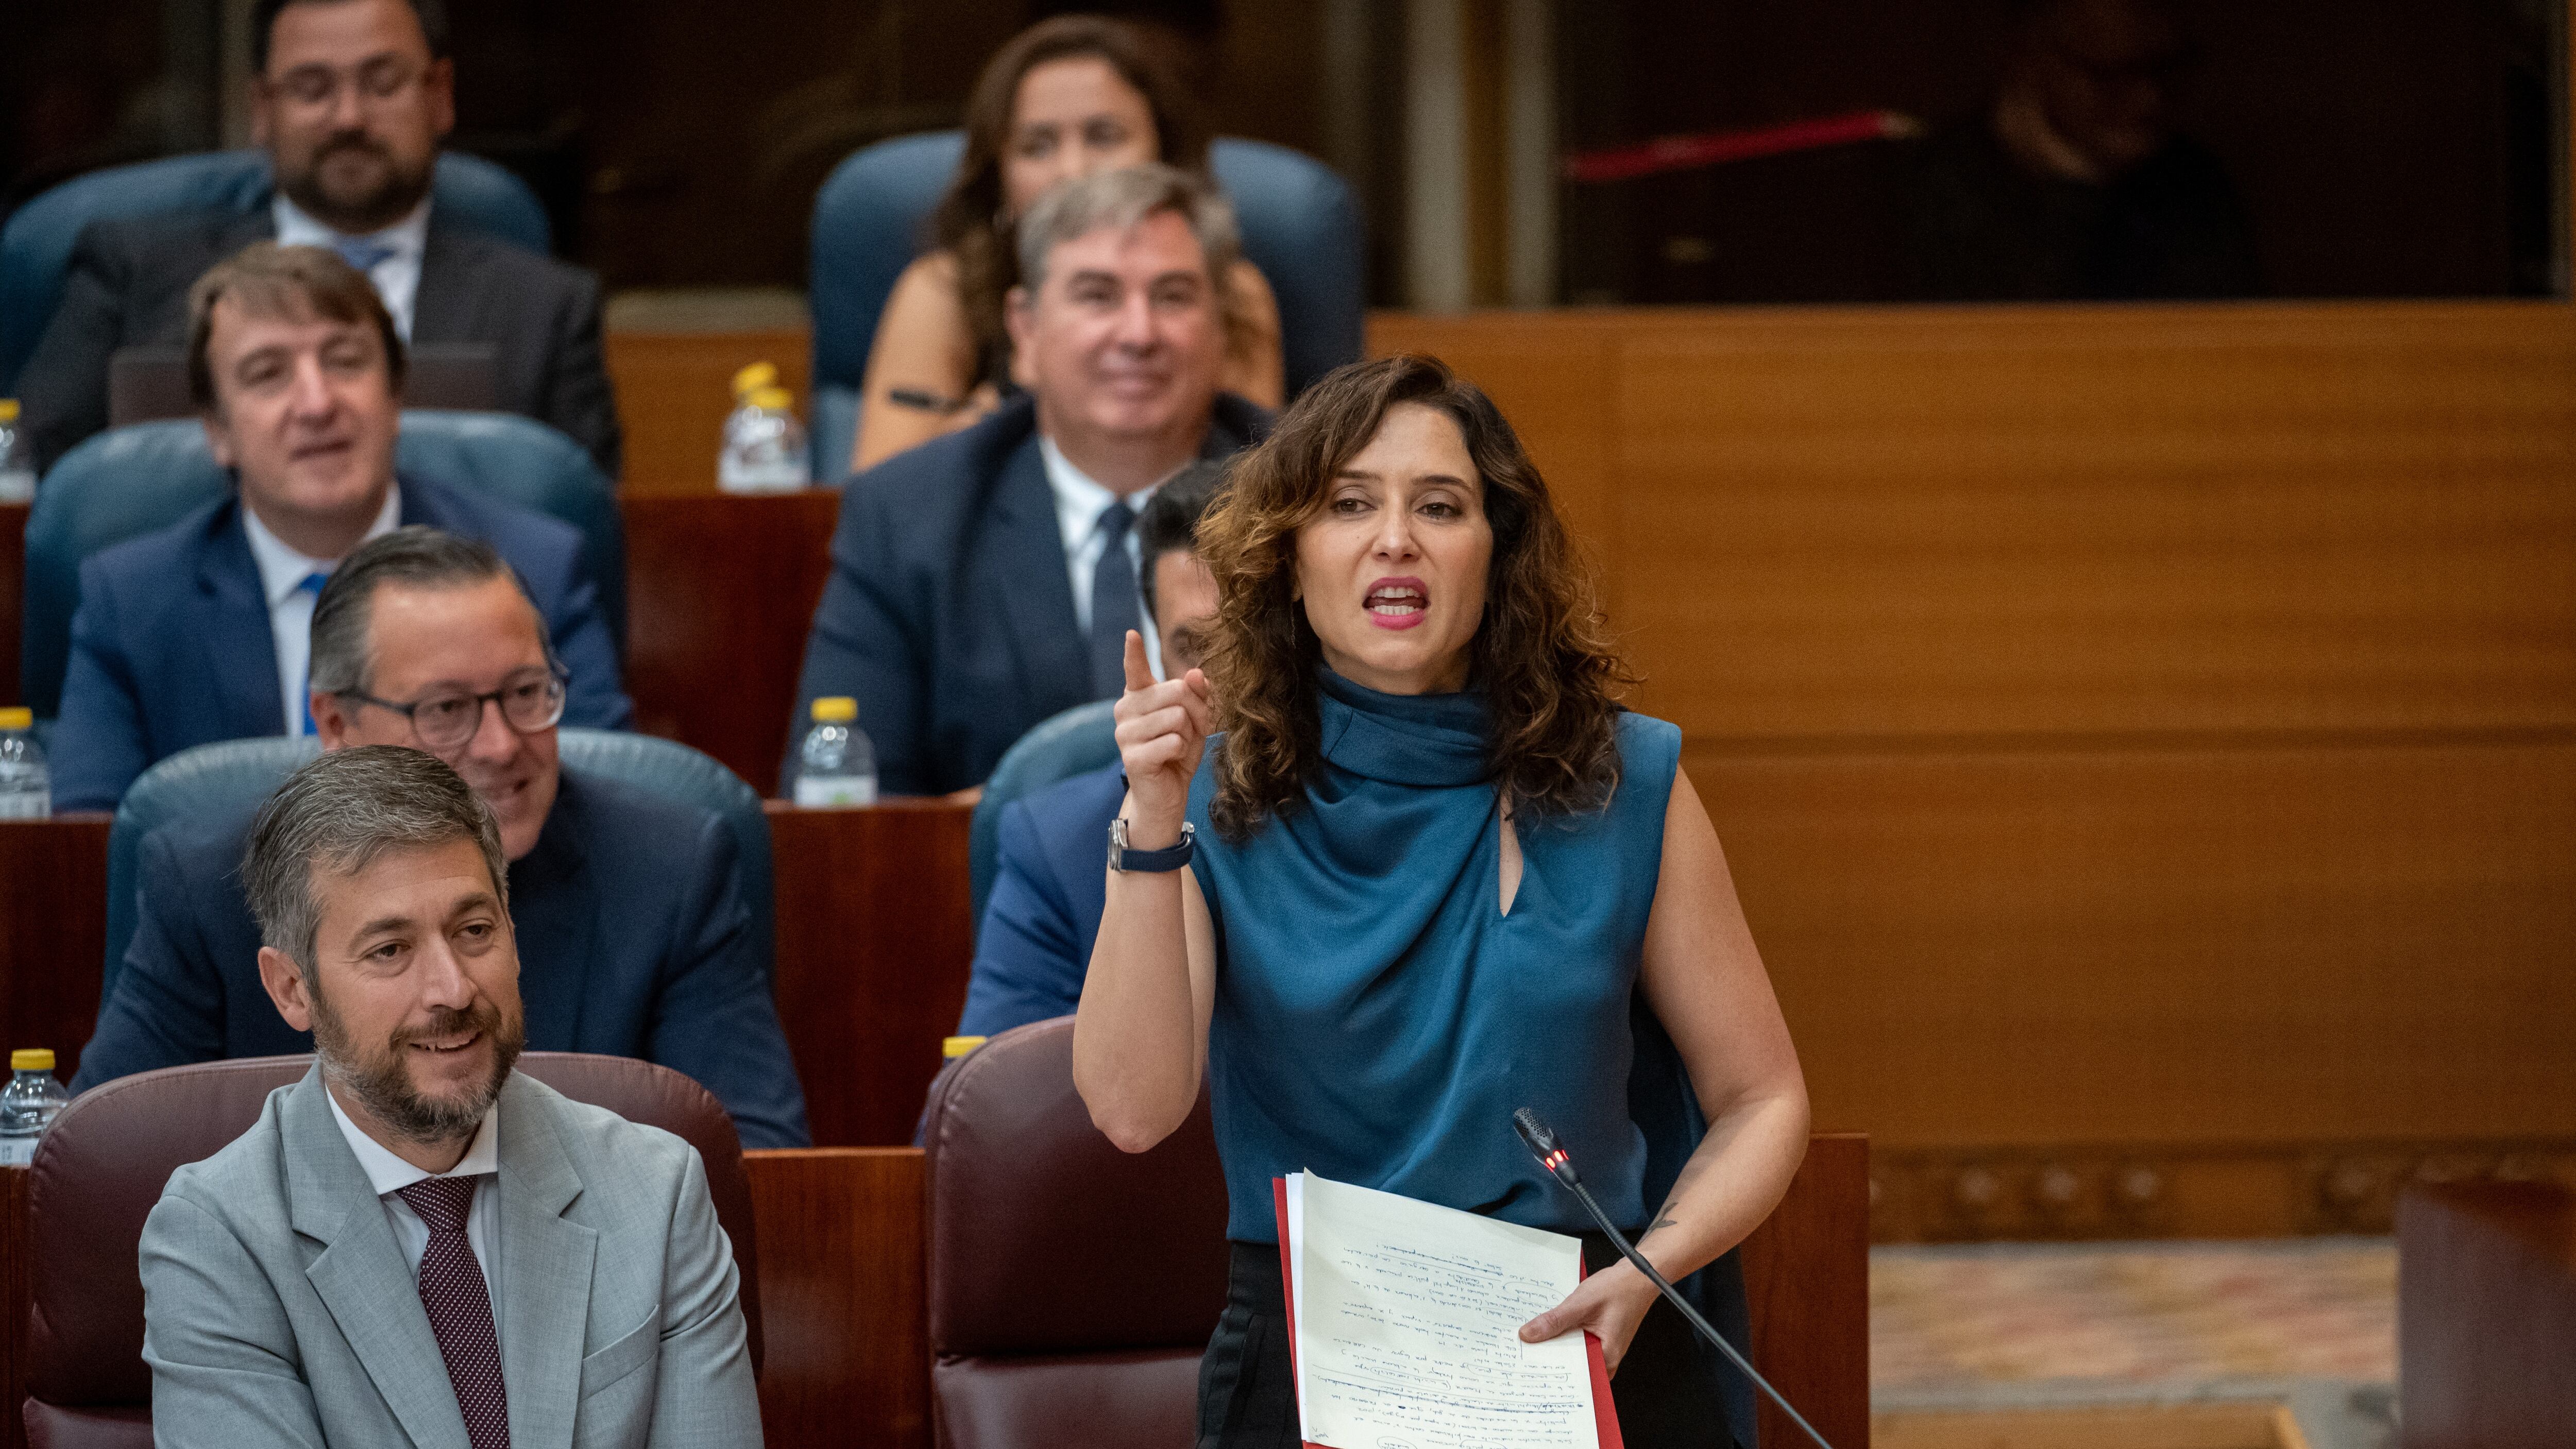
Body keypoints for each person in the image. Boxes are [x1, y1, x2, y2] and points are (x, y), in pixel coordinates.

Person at [1074, 355, 1811, 1448]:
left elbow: (1763, 1097)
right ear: (1288, 557)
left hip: (1580, 1333)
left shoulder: (1624, 777)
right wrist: (1147, 823)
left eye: (1441, 505)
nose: (1396, 538)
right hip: (1321, 1358)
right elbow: (1133, 1111)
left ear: (1495, 551)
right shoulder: (1211, 799)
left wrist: (1652, 1266)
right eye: (1350, 503)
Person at [76, 526, 810, 1151]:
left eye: (526, 693)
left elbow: (746, 1160)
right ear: (334, 725)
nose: (499, 745)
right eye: (446, 709)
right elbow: (105, 1164)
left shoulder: (670, 867)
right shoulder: (207, 885)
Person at [139, 745, 761, 1447]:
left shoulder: (656, 1191)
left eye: (474, 931)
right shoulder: (218, 1237)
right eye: (390, 950)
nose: (454, 990)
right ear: (293, 989)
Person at [49, 242, 629, 813]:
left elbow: (601, 812)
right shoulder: (130, 602)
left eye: (345, 360)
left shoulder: (535, 569)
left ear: (396, 395)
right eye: (268, 373)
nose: (317, 402)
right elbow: (95, 845)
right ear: (217, 430)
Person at [790, 163, 1269, 798]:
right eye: (1096, 295)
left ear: (1219, 329)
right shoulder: (907, 515)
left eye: (1173, 295)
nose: (1137, 333)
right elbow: (849, 805)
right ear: (1025, 330)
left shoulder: (1299, 499)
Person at [17, 0, 622, 475]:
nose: (349, 117)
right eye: (312, 88)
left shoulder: (546, 309)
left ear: (439, 96)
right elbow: (33, 482)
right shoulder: (132, 272)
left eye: (382, 82)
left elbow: (579, 527)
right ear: (262, 107)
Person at [845, 13, 1281, 473]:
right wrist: (1016, 399)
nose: (1072, 170)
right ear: (1000, 177)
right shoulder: (942, 291)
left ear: (1164, 154)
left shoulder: (1227, 291)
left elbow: (1255, 484)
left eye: (1104, 136)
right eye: (1038, 146)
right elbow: (883, 503)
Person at [956, 457, 1225, 1037]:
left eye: (1255, 638)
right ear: (1158, 661)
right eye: (1197, 648)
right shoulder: (1056, 843)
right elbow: (988, 1110)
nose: (1231, 681)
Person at [1906, 0, 2259, 301]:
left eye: (2166, 66)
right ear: (2028, 58)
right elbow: (2020, 339)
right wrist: (2072, 188)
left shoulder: (2191, 180)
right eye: (2113, 73)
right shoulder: (1941, 181)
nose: (2149, 99)